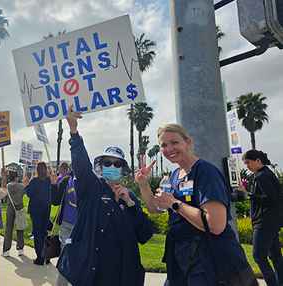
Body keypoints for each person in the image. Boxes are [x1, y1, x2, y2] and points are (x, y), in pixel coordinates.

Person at [137, 123, 256, 286]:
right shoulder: (174, 176)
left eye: (174, 142)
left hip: (211, 261)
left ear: (188, 142)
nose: (169, 148)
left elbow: (216, 225)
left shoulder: (206, 172)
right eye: (163, 145)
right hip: (182, 258)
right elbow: (155, 208)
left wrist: (174, 203)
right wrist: (143, 184)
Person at [57, 107, 153, 286]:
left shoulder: (129, 197)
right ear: (101, 165)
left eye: (116, 163)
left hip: (121, 276)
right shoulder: (92, 187)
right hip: (90, 274)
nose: (112, 166)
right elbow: (82, 165)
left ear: (122, 168)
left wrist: (131, 204)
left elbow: (145, 234)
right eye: (107, 162)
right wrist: (74, 132)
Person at [243, 149, 283, 286]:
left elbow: (271, 199)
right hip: (272, 222)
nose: (246, 166)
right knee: (276, 256)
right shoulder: (266, 174)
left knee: (258, 256)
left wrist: (249, 195)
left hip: (264, 222)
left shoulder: (262, 176)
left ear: (258, 161)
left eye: (248, 162)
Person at [24, 161, 57, 265]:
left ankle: (40, 257)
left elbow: (29, 193)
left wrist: (26, 185)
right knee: (44, 233)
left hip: (36, 211)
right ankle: (46, 256)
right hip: (46, 209)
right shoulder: (48, 180)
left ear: (37, 170)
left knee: (38, 234)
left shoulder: (34, 181)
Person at [52, 163, 78, 286]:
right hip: (68, 224)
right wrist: (53, 184)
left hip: (82, 226)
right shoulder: (66, 180)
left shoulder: (91, 182)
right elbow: (56, 200)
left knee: (69, 256)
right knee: (66, 256)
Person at [2, 168, 25, 257]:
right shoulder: (21, 186)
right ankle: (20, 248)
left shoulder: (7, 186)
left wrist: (3, 177)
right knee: (20, 227)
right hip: (19, 207)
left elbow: (3, 192)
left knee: (8, 228)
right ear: (16, 177)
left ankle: (6, 250)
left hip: (10, 207)